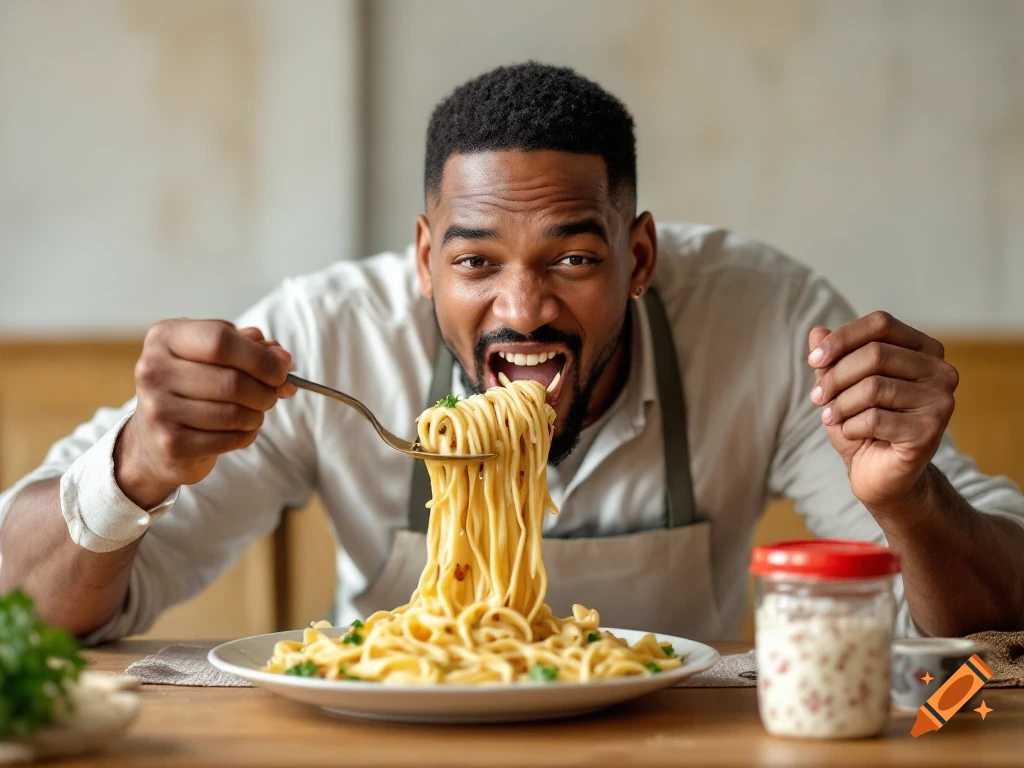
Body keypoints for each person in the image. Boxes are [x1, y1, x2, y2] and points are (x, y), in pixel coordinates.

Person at [1, 63, 1022, 644]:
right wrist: (131, 470)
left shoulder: (764, 320)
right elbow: (28, 610)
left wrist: (908, 501)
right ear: (421, 257)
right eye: (476, 260)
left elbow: (987, 629)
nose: (522, 308)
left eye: (572, 257)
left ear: (637, 255)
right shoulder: (323, 338)